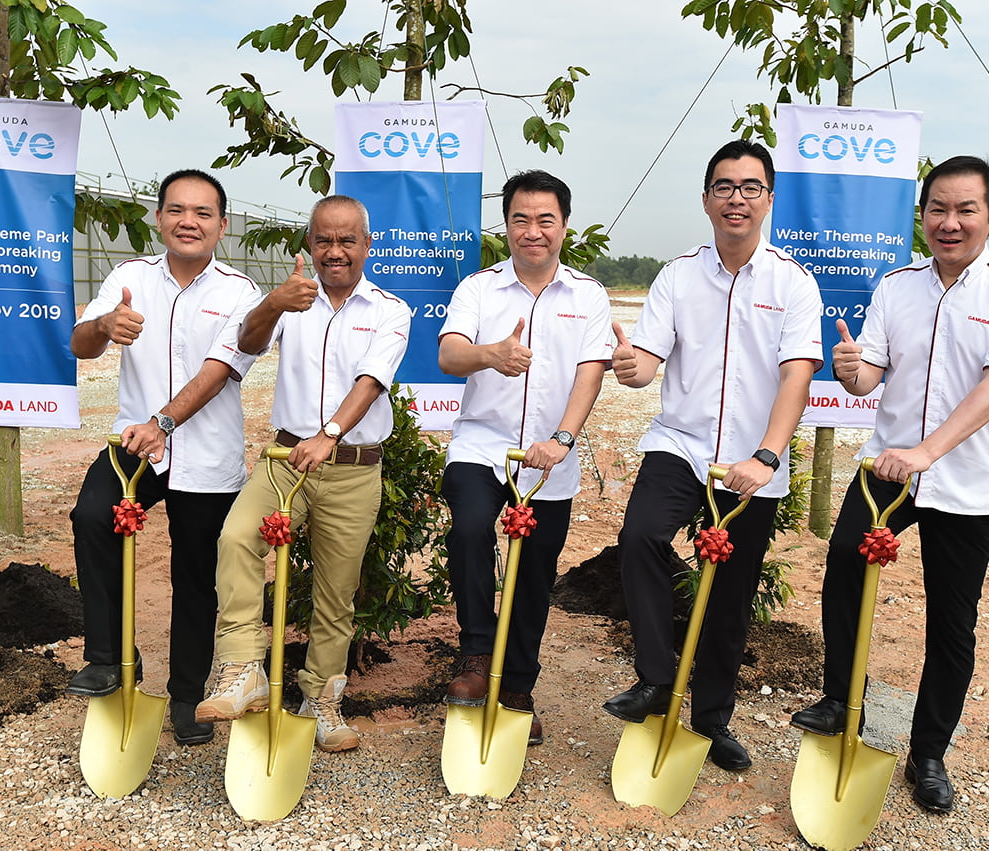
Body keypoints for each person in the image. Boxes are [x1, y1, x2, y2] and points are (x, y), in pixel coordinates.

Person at [791, 156, 989, 812]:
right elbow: (868, 378)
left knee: (951, 621)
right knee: (846, 558)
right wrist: (849, 368)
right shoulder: (896, 285)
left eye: (966, 209)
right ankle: (839, 697)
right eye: (937, 208)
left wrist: (928, 450)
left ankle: (928, 751)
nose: (949, 221)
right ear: (922, 214)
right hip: (886, 469)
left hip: (966, 482)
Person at [604, 140, 823, 772]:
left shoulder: (793, 283)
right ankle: (655, 677)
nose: (737, 198)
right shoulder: (678, 275)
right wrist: (631, 366)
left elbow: (796, 376)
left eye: (750, 187)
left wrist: (767, 457)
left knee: (731, 592)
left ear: (768, 199)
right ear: (706, 200)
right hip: (682, 444)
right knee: (641, 536)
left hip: (754, 461)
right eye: (724, 186)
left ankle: (712, 719)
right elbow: (646, 363)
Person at [194, 195, 410, 753]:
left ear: (367, 243)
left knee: (335, 594)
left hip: (353, 470)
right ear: (309, 244)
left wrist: (330, 433)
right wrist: (274, 303)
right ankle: (243, 668)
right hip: (284, 461)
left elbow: (370, 381)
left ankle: (322, 702)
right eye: (323, 241)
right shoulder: (292, 300)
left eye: (346, 241)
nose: (334, 252)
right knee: (237, 537)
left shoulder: (390, 310)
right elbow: (246, 343)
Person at [67, 169, 264, 747]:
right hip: (133, 448)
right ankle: (107, 657)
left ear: (222, 225)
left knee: (196, 577)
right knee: (91, 517)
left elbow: (221, 370)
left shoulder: (240, 292)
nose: (189, 221)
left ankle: (186, 696)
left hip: (205, 455)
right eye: (177, 210)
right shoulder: (130, 277)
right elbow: (81, 345)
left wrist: (164, 423)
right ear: (159, 218)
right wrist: (103, 325)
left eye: (203, 213)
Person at [438, 169, 612, 746]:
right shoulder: (478, 288)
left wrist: (561, 441)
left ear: (564, 226)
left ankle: (516, 686)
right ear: (505, 224)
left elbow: (591, 374)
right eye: (520, 219)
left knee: (535, 571)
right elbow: (450, 356)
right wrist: (492, 354)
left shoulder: (587, 294)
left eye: (545, 220)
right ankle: (476, 653)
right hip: (480, 445)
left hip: (548, 456)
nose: (532, 232)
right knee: (467, 532)